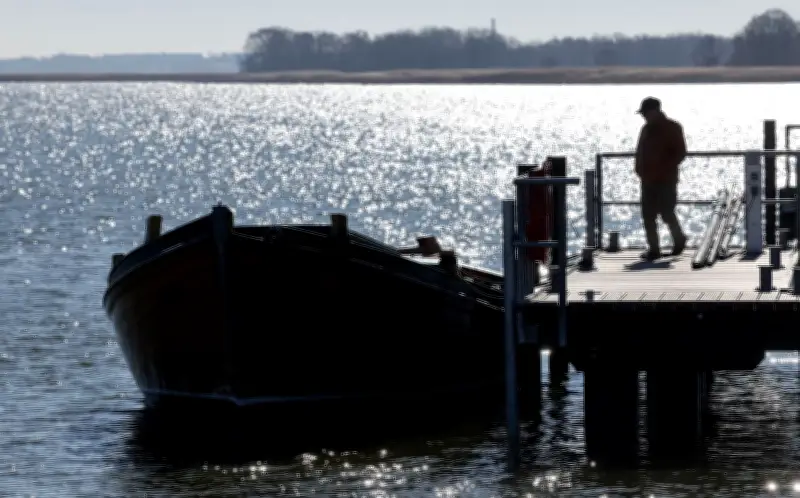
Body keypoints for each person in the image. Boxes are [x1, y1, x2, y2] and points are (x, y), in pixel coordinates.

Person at [634, 97, 688, 261]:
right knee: (647, 215)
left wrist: (664, 168)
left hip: (666, 179)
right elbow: (640, 151)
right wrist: (639, 170)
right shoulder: (645, 129)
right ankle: (654, 249)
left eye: (645, 113)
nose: (644, 116)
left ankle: (678, 240)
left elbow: (680, 152)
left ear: (655, 111)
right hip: (648, 179)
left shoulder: (672, 127)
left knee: (667, 212)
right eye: (643, 113)